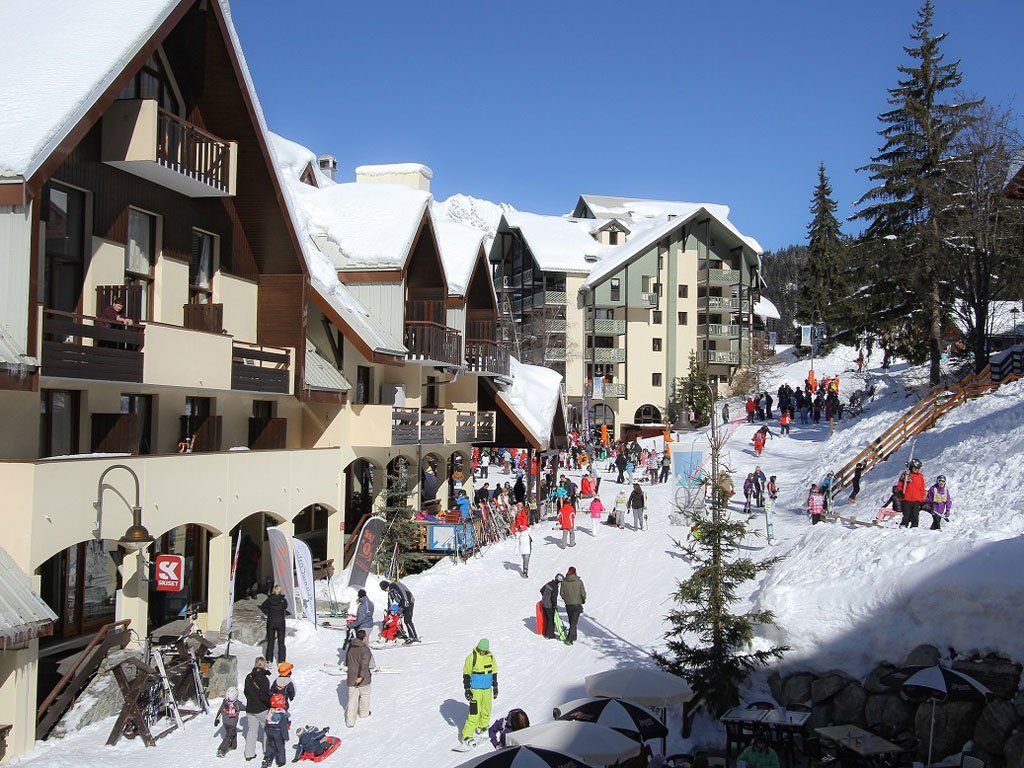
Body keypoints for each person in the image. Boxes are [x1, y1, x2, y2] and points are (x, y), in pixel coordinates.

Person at [461, 639, 499, 745]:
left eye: (484, 650)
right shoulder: (472, 657)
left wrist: (495, 687)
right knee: (474, 712)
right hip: (476, 690)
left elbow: (494, 672)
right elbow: (466, 673)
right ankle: (466, 736)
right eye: (480, 650)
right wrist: (467, 689)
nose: (482, 652)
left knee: (487, 709)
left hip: (487, 689)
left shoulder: (491, 657)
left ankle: (482, 727)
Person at [243, 657, 272, 761]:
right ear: (264, 665)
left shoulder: (248, 677)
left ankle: (249, 754)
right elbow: (264, 696)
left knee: (251, 731)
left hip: (250, 708)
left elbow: (246, 692)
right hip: (261, 709)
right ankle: (267, 752)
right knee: (267, 729)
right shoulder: (264, 679)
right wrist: (270, 705)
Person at [345, 629, 373, 728]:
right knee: (365, 696)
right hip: (363, 679)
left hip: (351, 678)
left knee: (352, 700)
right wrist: (360, 676)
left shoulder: (351, 647)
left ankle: (350, 721)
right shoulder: (365, 649)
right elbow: (364, 665)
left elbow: (347, 662)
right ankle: (364, 713)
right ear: (364, 638)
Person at [379, 578, 418, 643]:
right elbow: (390, 602)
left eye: (385, 590)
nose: (386, 591)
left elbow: (404, 596)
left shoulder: (395, 585)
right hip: (402, 603)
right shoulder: (390, 591)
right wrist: (389, 613)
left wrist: (401, 609)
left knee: (407, 620)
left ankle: (414, 637)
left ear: (387, 586)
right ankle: (402, 634)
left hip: (408, 601)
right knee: (397, 617)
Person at [260, 586, 290, 664]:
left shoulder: (268, 600)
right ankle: (281, 661)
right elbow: (285, 607)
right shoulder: (283, 600)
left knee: (270, 642)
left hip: (271, 622)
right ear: (280, 591)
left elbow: (263, 607)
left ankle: (269, 660)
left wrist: (268, 613)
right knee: (281, 642)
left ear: (273, 591)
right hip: (280, 622)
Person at [559, 566, 587, 645]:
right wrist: (583, 600)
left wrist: (566, 599)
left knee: (572, 621)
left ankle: (574, 636)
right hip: (577, 605)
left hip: (568, 605)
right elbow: (583, 593)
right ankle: (569, 639)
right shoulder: (579, 582)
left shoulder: (564, 582)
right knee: (573, 622)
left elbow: (561, 593)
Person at [262, 693, 290, 768]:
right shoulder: (281, 714)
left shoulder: (270, 711)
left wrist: (267, 731)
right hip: (278, 732)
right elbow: (283, 727)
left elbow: (267, 722)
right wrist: (285, 737)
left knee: (271, 745)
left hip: (269, 731)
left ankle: (267, 758)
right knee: (280, 747)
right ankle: (281, 761)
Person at [899, 459, 927, 528]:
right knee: (906, 514)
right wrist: (900, 491)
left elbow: (922, 489)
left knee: (915, 515)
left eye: (918, 468)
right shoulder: (906, 474)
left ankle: (914, 527)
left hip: (916, 499)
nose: (917, 469)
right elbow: (900, 484)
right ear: (911, 467)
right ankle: (903, 525)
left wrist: (923, 500)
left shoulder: (920, 477)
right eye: (915, 468)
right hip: (906, 498)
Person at [215, 687, 241, 757]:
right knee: (229, 736)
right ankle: (221, 750)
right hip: (232, 724)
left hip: (225, 723)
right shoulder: (237, 703)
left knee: (232, 732)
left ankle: (233, 745)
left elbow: (220, 710)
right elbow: (245, 707)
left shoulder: (224, 702)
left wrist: (217, 719)